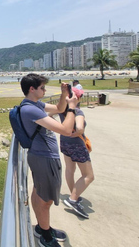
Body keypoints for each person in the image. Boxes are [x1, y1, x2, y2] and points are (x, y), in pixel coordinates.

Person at [20, 73, 79, 247]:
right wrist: (73, 108)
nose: (45, 90)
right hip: (44, 158)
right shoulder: (29, 109)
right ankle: (45, 236)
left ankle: (41, 227)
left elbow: (59, 109)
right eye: (42, 87)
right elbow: (66, 130)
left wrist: (63, 96)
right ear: (32, 89)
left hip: (42, 157)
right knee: (45, 200)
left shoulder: (35, 104)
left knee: (40, 194)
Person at [59, 87, 94, 219]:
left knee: (70, 169)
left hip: (64, 142)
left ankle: (73, 193)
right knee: (88, 175)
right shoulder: (78, 112)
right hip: (76, 145)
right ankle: (73, 199)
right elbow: (79, 128)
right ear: (77, 98)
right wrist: (77, 134)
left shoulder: (64, 111)